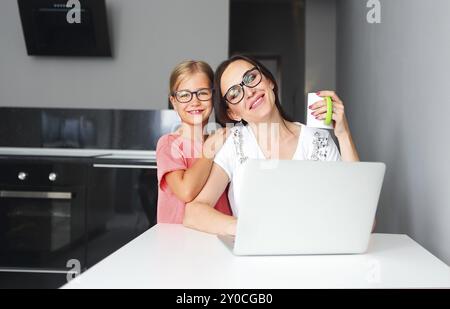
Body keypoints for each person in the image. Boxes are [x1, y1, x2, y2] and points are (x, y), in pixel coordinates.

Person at [183, 55, 360, 235]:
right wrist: (245, 228)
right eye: (235, 93)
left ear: (269, 82)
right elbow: (193, 213)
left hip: (312, 256)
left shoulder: (318, 140)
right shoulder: (234, 143)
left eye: (251, 78)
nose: (249, 92)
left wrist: (343, 135)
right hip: (254, 258)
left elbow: (362, 218)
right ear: (233, 114)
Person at [156, 60, 231, 224]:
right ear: (174, 102)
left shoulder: (221, 139)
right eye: (184, 95)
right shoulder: (168, 144)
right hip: (179, 241)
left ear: (213, 95)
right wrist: (209, 150)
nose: (195, 101)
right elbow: (186, 191)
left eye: (203, 93)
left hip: (217, 234)